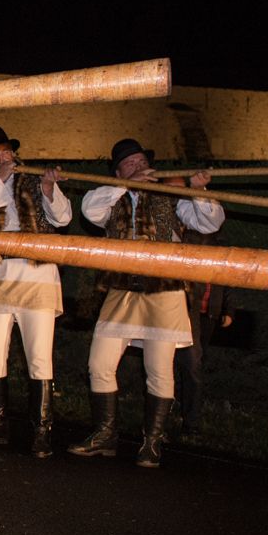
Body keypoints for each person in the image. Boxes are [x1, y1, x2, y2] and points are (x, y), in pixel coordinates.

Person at [69, 138, 224, 469]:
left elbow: (210, 222)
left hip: (163, 291)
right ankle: (105, 435)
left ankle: (152, 442)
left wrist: (197, 190)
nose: (138, 166)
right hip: (121, 290)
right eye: (130, 164)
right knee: (99, 363)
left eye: (142, 161)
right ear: (118, 172)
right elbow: (89, 210)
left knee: (158, 369)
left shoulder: (171, 197)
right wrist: (123, 185)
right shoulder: (112, 198)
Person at [0, 126, 70, 457]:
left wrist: (50, 188)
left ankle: (42, 431)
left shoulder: (35, 180)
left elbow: (63, 219)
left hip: (38, 278)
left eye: (6, 153)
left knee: (39, 358)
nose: (3, 158)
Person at [172, 227, 234, 437]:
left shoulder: (220, 244)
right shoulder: (186, 239)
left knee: (193, 364)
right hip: (188, 311)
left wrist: (228, 309)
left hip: (209, 314)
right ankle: (190, 421)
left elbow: (226, 280)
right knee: (190, 363)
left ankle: (184, 412)